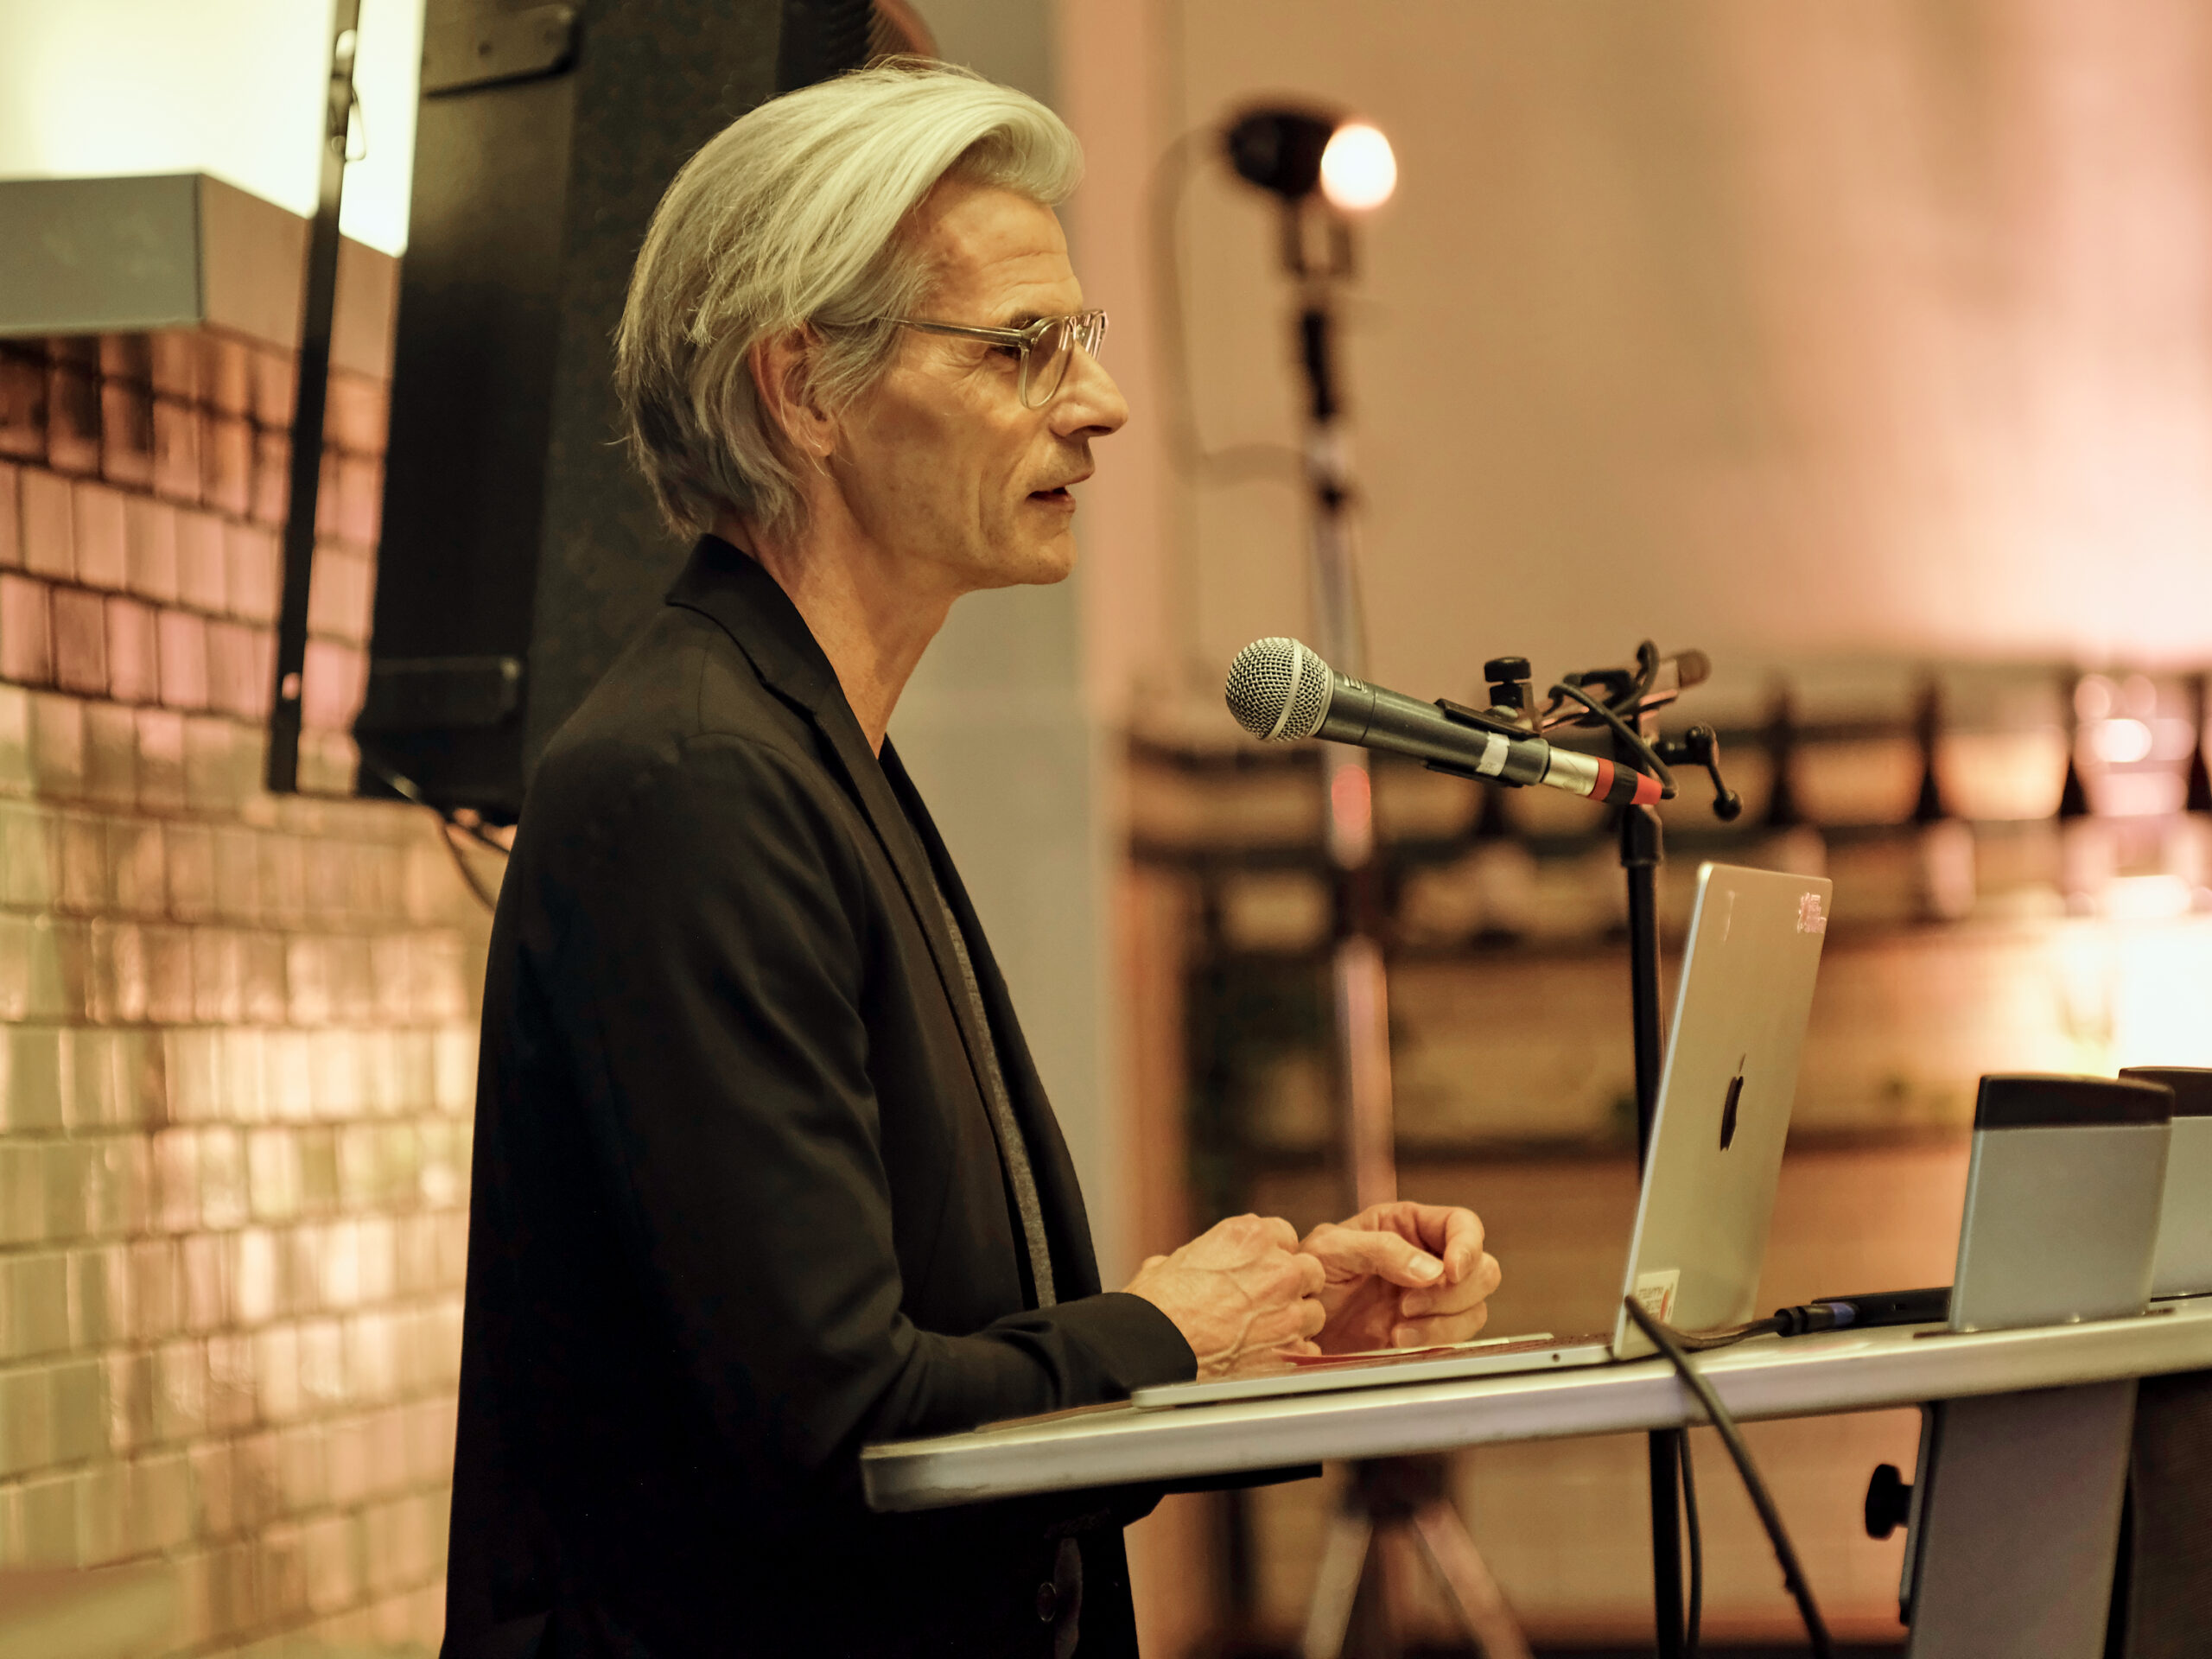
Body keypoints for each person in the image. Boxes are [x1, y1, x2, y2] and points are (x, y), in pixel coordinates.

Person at [443, 62, 1502, 1659]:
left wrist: (1269, 1333)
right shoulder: (695, 783)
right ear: (803, 390)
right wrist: (1161, 1335)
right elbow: (838, 1429)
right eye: (1023, 348)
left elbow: (928, 1356)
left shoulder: (809, 749)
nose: (1102, 403)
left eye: (1084, 338)